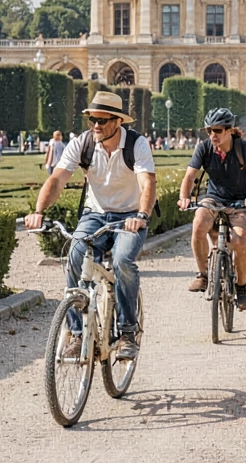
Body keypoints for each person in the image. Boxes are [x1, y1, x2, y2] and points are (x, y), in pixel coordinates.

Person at [26, 92, 155, 361]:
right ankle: (77, 333)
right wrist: (38, 211)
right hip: (94, 214)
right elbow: (57, 179)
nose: (95, 125)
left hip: (130, 215)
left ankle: (128, 332)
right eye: (91, 119)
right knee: (74, 255)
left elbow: (147, 183)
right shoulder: (82, 143)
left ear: (117, 121)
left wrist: (141, 215)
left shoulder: (137, 144)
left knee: (122, 261)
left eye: (101, 120)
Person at [179, 108, 246, 310]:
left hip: (240, 202)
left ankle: (241, 285)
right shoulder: (204, 148)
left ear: (229, 130)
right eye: (209, 131)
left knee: (239, 241)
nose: (212, 135)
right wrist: (184, 198)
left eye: (216, 130)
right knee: (198, 224)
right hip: (213, 199)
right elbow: (190, 176)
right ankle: (204, 274)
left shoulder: (243, 148)